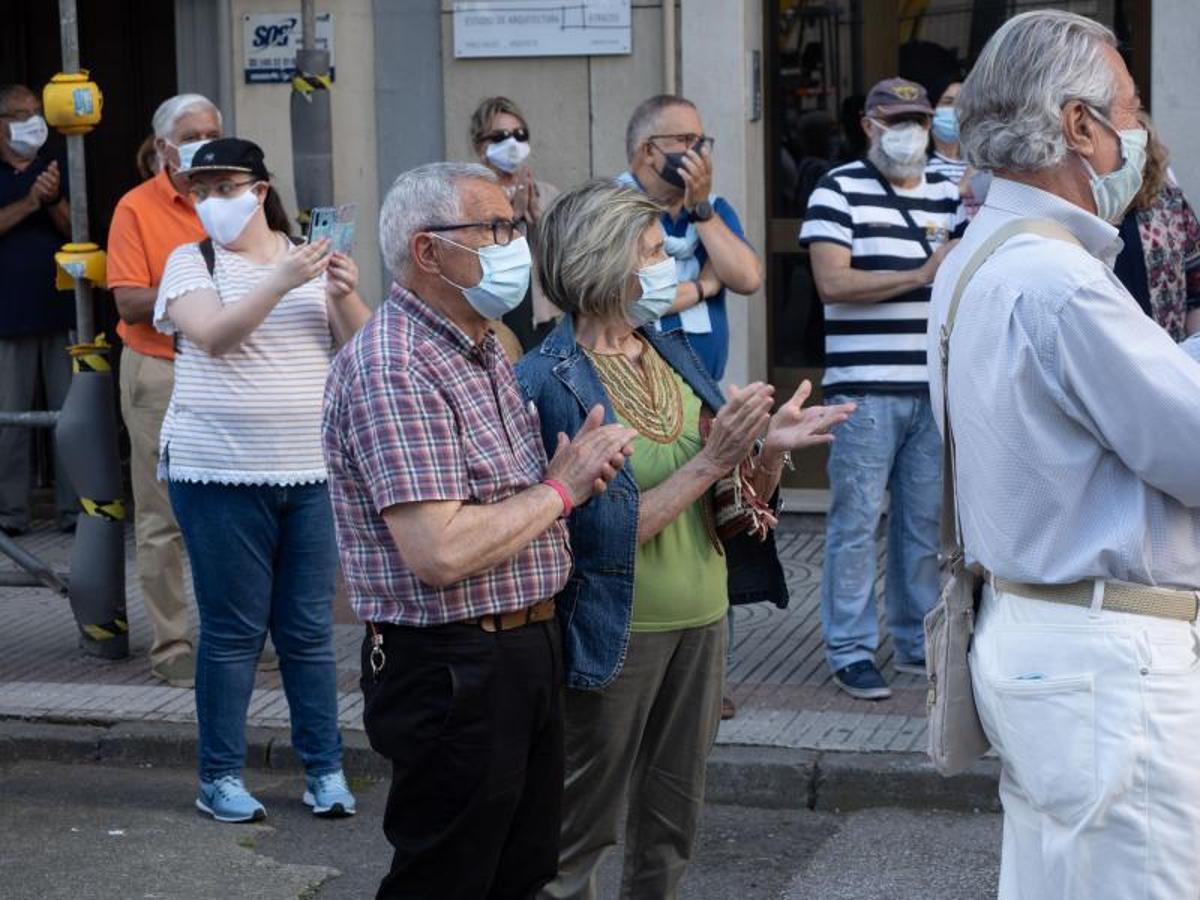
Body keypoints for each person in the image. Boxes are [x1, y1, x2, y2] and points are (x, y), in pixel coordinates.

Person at [517, 180, 853, 900]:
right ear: (601, 264)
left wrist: (766, 449)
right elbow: (600, 535)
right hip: (614, 634)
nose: (668, 260)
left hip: (702, 621)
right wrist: (715, 458)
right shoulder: (548, 380)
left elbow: (736, 508)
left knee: (671, 826)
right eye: (649, 250)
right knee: (581, 832)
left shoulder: (670, 351)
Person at [929, 12, 1200, 897]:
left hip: (1038, 632)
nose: (1140, 131)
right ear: (1078, 125)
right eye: (1128, 108)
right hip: (1104, 654)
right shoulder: (1061, 281)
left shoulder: (981, 257)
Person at [322, 161, 636, 900]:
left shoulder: (483, 343)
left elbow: (499, 500)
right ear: (428, 252)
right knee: (448, 876)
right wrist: (561, 489)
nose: (512, 244)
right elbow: (441, 551)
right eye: (492, 228)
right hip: (454, 662)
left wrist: (558, 482)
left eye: (512, 226)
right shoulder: (398, 365)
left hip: (522, 647)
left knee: (519, 872)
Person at [154, 138, 369, 823]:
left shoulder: (315, 257)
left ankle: (325, 769)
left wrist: (343, 292)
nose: (214, 200)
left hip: (309, 472)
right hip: (216, 471)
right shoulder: (191, 261)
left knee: (306, 631)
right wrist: (281, 281)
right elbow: (215, 335)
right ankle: (219, 776)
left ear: (262, 187)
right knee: (231, 631)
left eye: (228, 185)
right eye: (202, 189)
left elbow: (360, 350)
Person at [801, 77, 963, 700]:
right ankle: (850, 647)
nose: (911, 131)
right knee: (855, 520)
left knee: (922, 523)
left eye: (919, 119)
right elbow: (832, 284)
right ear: (868, 125)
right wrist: (921, 273)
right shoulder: (837, 189)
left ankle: (917, 639)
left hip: (933, 388)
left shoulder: (952, 190)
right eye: (897, 120)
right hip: (863, 390)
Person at [106, 93, 221, 687]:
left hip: (225, 366)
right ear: (164, 146)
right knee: (162, 517)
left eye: (214, 131)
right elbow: (127, 299)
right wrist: (193, 291)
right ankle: (173, 644)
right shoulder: (136, 208)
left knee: (233, 509)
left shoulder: (231, 197)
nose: (206, 141)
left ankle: (236, 635)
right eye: (194, 133)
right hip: (160, 369)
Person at [619, 94, 763, 382]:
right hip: (638, 388)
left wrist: (701, 210)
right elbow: (630, 301)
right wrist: (705, 286)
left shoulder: (714, 208)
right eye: (685, 140)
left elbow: (748, 279)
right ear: (649, 150)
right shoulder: (613, 207)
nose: (698, 152)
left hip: (705, 390)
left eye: (701, 142)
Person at [0, 83, 76, 537]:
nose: (32, 120)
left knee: (71, 419)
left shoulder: (60, 165)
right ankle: (11, 515)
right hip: (8, 318)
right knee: (10, 423)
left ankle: (75, 511)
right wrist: (31, 200)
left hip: (62, 312)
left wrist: (52, 202)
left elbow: (78, 229)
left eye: (36, 111)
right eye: (19, 113)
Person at [470, 95, 561, 351]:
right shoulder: (470, 197)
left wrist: (535, 218)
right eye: (500, 137)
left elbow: (562, 259)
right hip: (491, 317)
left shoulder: (545, 192)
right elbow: (474, 255)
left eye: (520, 135)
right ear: (480, 146)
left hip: (537, 317)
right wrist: (511, 217)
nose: (512, 143)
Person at [1112, 112, 1200, 342]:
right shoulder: (1092, 208)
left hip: (1169, 353)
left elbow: (1196, 289)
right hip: (1114, 350)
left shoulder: (1173, 204)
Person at [925, 78, 968, 185]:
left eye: (963, 104)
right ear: (931, 109)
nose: (956, 109)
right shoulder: (915, 166)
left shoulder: (979, 167)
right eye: (948, 102)